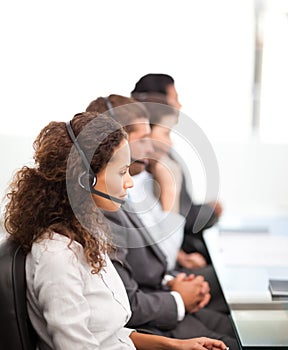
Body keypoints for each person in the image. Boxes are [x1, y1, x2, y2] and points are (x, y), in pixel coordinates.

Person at [3, 111, 228, 350]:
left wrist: (176, 346)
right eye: (122, 172)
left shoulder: (86, 234)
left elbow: (110, 334)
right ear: (85, 180)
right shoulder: (57, 257)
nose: (130, 182)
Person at [85, 96, 239, 349]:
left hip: (162, 292)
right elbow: (125, 301)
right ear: (113, 141)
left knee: (235, 329)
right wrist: (177, 296)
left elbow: (149, 261)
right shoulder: (105, 208)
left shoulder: (124, 193)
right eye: (143, 138)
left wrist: (172, 283)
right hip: (153, 318)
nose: (152, 147)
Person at [131, 73, 223, 261]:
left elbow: (157, 239)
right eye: (175, 98)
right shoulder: (136, 182)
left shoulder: (154, 167)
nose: (179, 105)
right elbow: (163, 253)